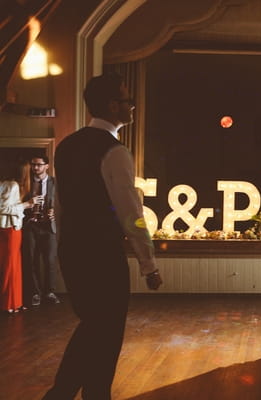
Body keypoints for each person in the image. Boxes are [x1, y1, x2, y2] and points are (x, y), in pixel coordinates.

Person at [42, 72, 163, 399]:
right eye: (128, 100)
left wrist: (64, 243)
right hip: (102, 255)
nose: (132, 106)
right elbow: (131, 214)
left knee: (94, 325)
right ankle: (66, 393)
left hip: (72, 250)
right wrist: (148, 264)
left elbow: (60, 203)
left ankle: (75, 394)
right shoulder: (115, 151)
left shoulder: (66, 146)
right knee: (105, 332)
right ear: (113, 106)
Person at [0, 159, 40, 313]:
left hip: (8, 229)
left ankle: (14, 303)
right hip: (11, 229)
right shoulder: (13, 185)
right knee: (11, 267)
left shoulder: (4, 183)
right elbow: (3, 207)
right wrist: (27, 204)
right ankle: (8, 305)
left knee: (12, 266)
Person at [21, 155, 60, 307]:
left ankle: (49, 292)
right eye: (33, 165)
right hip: (31, 226)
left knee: (50, 260)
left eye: (38, 165)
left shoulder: (56, 182)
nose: (35, 168)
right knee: (32, 260)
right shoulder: (26, 183)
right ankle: (35, 293)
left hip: (49, 227)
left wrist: (54, 213)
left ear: (47, 166)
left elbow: (64, 203)